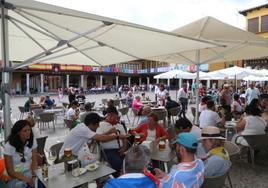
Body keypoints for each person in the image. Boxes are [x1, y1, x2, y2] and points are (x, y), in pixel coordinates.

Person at [60, 113, 124, 157]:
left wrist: (108, 132)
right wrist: (117, 136)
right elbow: (101, 138)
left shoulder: (84, 127)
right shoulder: (83, 129)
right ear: (91, 124)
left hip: (76, 155)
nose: (98, 126)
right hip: (66, 157)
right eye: (97, 124)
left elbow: (95, 138)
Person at [3, 120, 37, 188]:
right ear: (18, 133)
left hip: (29, 172)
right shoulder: (9, 146)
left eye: (29, 130)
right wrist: (27, 180)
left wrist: (34, 176)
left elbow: (34, 161)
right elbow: (10, 172)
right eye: (25, 131)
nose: (28, 132)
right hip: (14, 177)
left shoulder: (32, 140)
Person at [97, 108, 128, 177]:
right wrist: (109, 132)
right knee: (118, 164)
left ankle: (126, 176)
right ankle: (117, 178)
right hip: (109, 150)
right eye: (109, 115)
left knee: (130, 162)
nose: (110, 117)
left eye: (113, 115)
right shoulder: (101, 125)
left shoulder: (120, 125)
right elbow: (99, 138)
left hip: (121, 149)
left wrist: (124, 148)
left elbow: (125, 138)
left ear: (117, 116)